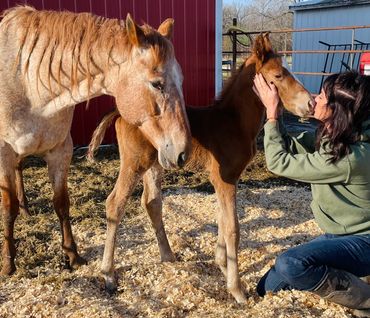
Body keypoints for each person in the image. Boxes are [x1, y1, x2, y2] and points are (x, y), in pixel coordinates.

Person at [253, 71, 370, 317]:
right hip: (338, 235)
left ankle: (365, 301)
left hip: (363, 241)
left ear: (338, 111)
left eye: (323, 98)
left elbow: (279, 163)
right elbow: (298, 143)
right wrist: (278, 112)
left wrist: (272, 116)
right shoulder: (346, 133)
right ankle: (347, 278)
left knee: (291, 263)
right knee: (266, 288)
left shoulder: (352, 157)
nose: (315, 99)